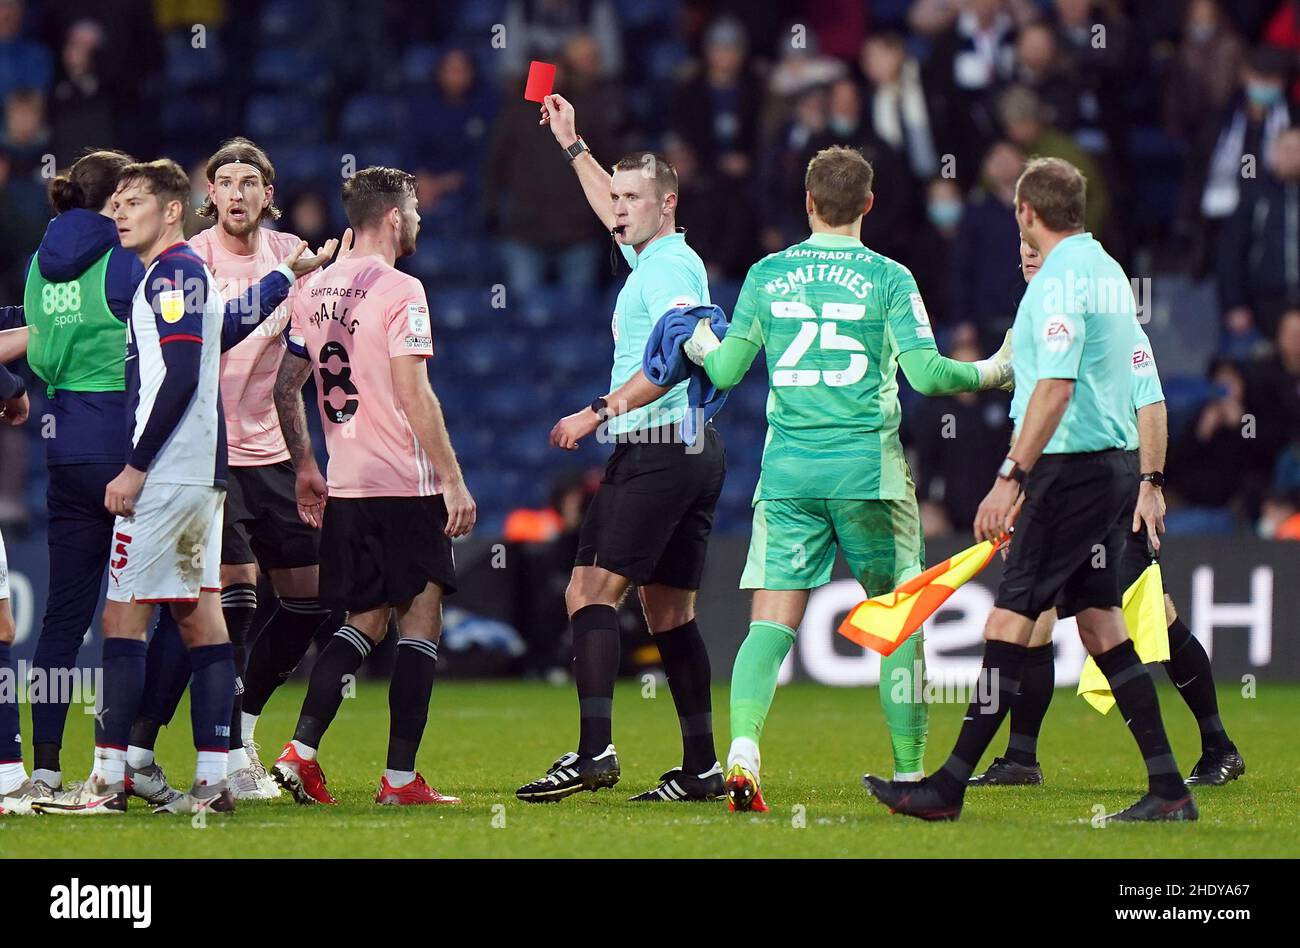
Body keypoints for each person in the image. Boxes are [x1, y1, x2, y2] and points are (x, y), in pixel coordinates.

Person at [678, 145, 1014, 811]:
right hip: (870, 476)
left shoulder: (768, 274)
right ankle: (912, 775)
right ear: (867, 203)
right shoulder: (890, 277)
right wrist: (995, 369)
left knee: (769, 627)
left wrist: (697, 342)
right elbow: (927, 376)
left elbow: (724, 374)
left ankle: (743, 749)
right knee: (898, 622)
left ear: (807, 202)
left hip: (791, 475)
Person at [864, 157, 1196, 823]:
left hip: (1067, 471)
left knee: (1007, 622)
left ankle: (947, 787)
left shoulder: (1054, 284)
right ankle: (1167, 788)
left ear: (1026, 213)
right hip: (1112, 466)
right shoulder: (1105, 270)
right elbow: (1135, 382)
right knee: (1101, 626)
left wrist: (1010, 475)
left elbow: (1054, 386)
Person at [35, 158, 334, 815]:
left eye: (133, 202)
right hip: (202, 473)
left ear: (171, 210)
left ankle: (110, 783)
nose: (117, 214)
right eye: (114, 202)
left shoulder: (167, 275)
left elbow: (176, 377)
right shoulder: (181, 274)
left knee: (123, 620)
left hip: (167, 477)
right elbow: (220, 334)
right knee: (203, 627)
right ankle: (211, 783)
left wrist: (136, 466)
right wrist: (288, 275)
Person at [515, 93, 728, 804]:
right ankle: (701, 767)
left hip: (656, 446)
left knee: (588, 591)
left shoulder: (665, 271)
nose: (619, 206)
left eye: (634, 197)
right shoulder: (659, 256)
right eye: (618, 196)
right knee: (670, 614)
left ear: (666, 204)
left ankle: (594, 751)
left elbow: (673, 354)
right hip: (694, 449)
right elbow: (611, 201)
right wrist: (573, 145)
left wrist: (600, 409)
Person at [969, 237, 1245, 788]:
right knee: (1037, 621)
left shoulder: (1112, 329)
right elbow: (1013, 397)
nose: (1025, 253)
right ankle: (1021, 758)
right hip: (1059, 497)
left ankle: (1218, 747)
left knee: (1150, 620)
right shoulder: (1027, 326)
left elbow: (1152, 404)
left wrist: (1151, 485)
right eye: (1020, 244)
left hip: (1113, 500)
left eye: (1037, 246)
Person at [269, 166, 475, 807]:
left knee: (362, 619)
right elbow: (414, 391)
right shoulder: (401, 288)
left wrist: (307, 465)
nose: (418, 222)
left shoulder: (314, 288)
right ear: (393, 216)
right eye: (414, 211)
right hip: (403, 481)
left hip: (348, 480)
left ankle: (299, 754)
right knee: (421, 618)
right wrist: (453, 480)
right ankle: (399, 779)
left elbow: (284, 386)